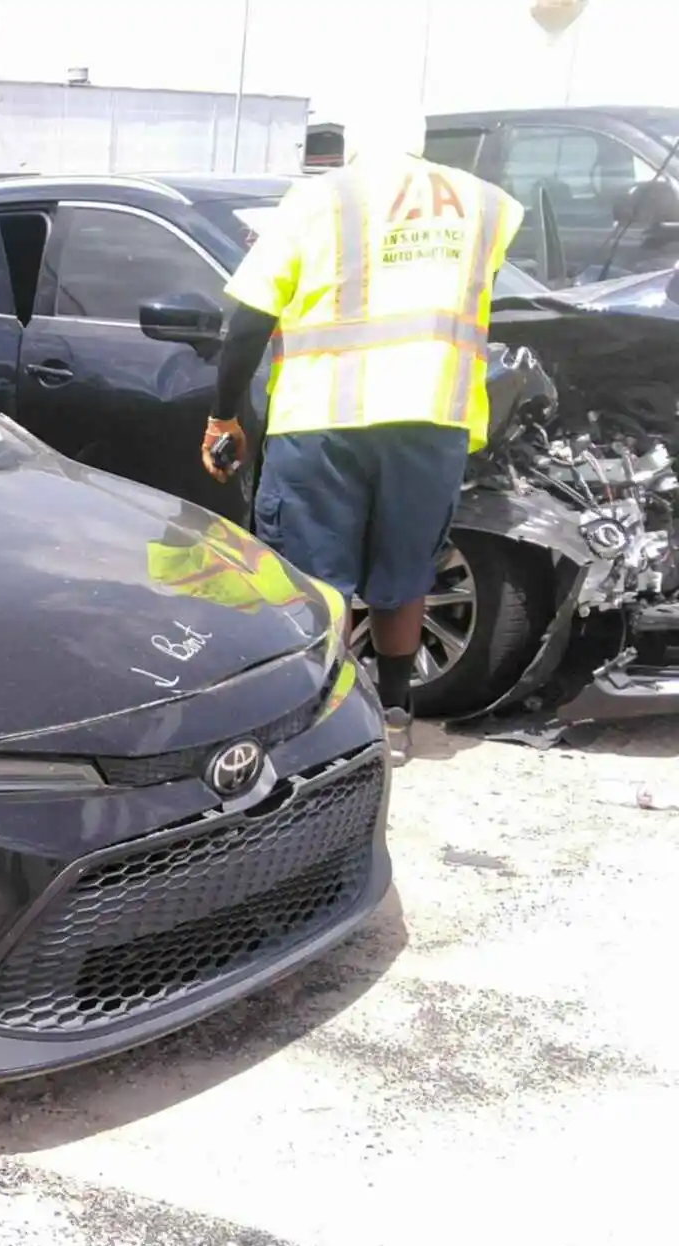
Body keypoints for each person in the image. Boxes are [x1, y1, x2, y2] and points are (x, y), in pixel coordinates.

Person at [202, 104, 524, 763]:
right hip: (433, 414)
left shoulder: (319, 199)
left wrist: (223, 412)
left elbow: (249, 319)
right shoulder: (488, 205)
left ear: (351, 147)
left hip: (324, 419)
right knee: (404, 573)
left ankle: (322, 725)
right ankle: (398, 718)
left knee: (318, 583)